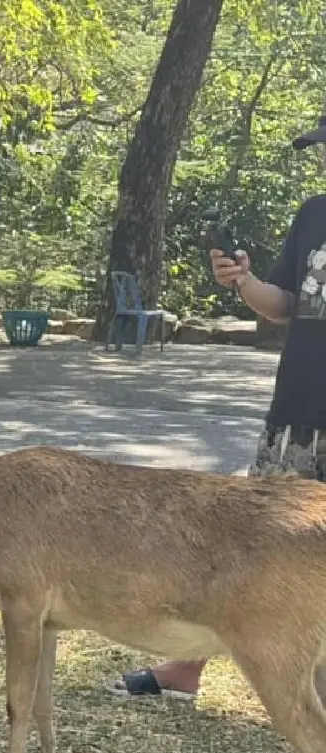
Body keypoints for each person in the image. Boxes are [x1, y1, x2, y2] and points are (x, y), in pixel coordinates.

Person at [108, 115, 326, 701]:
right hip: (298, 415)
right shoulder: (314, 213)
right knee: (253, 544)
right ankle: (187, 666)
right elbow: (284, 305)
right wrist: (243, 282)